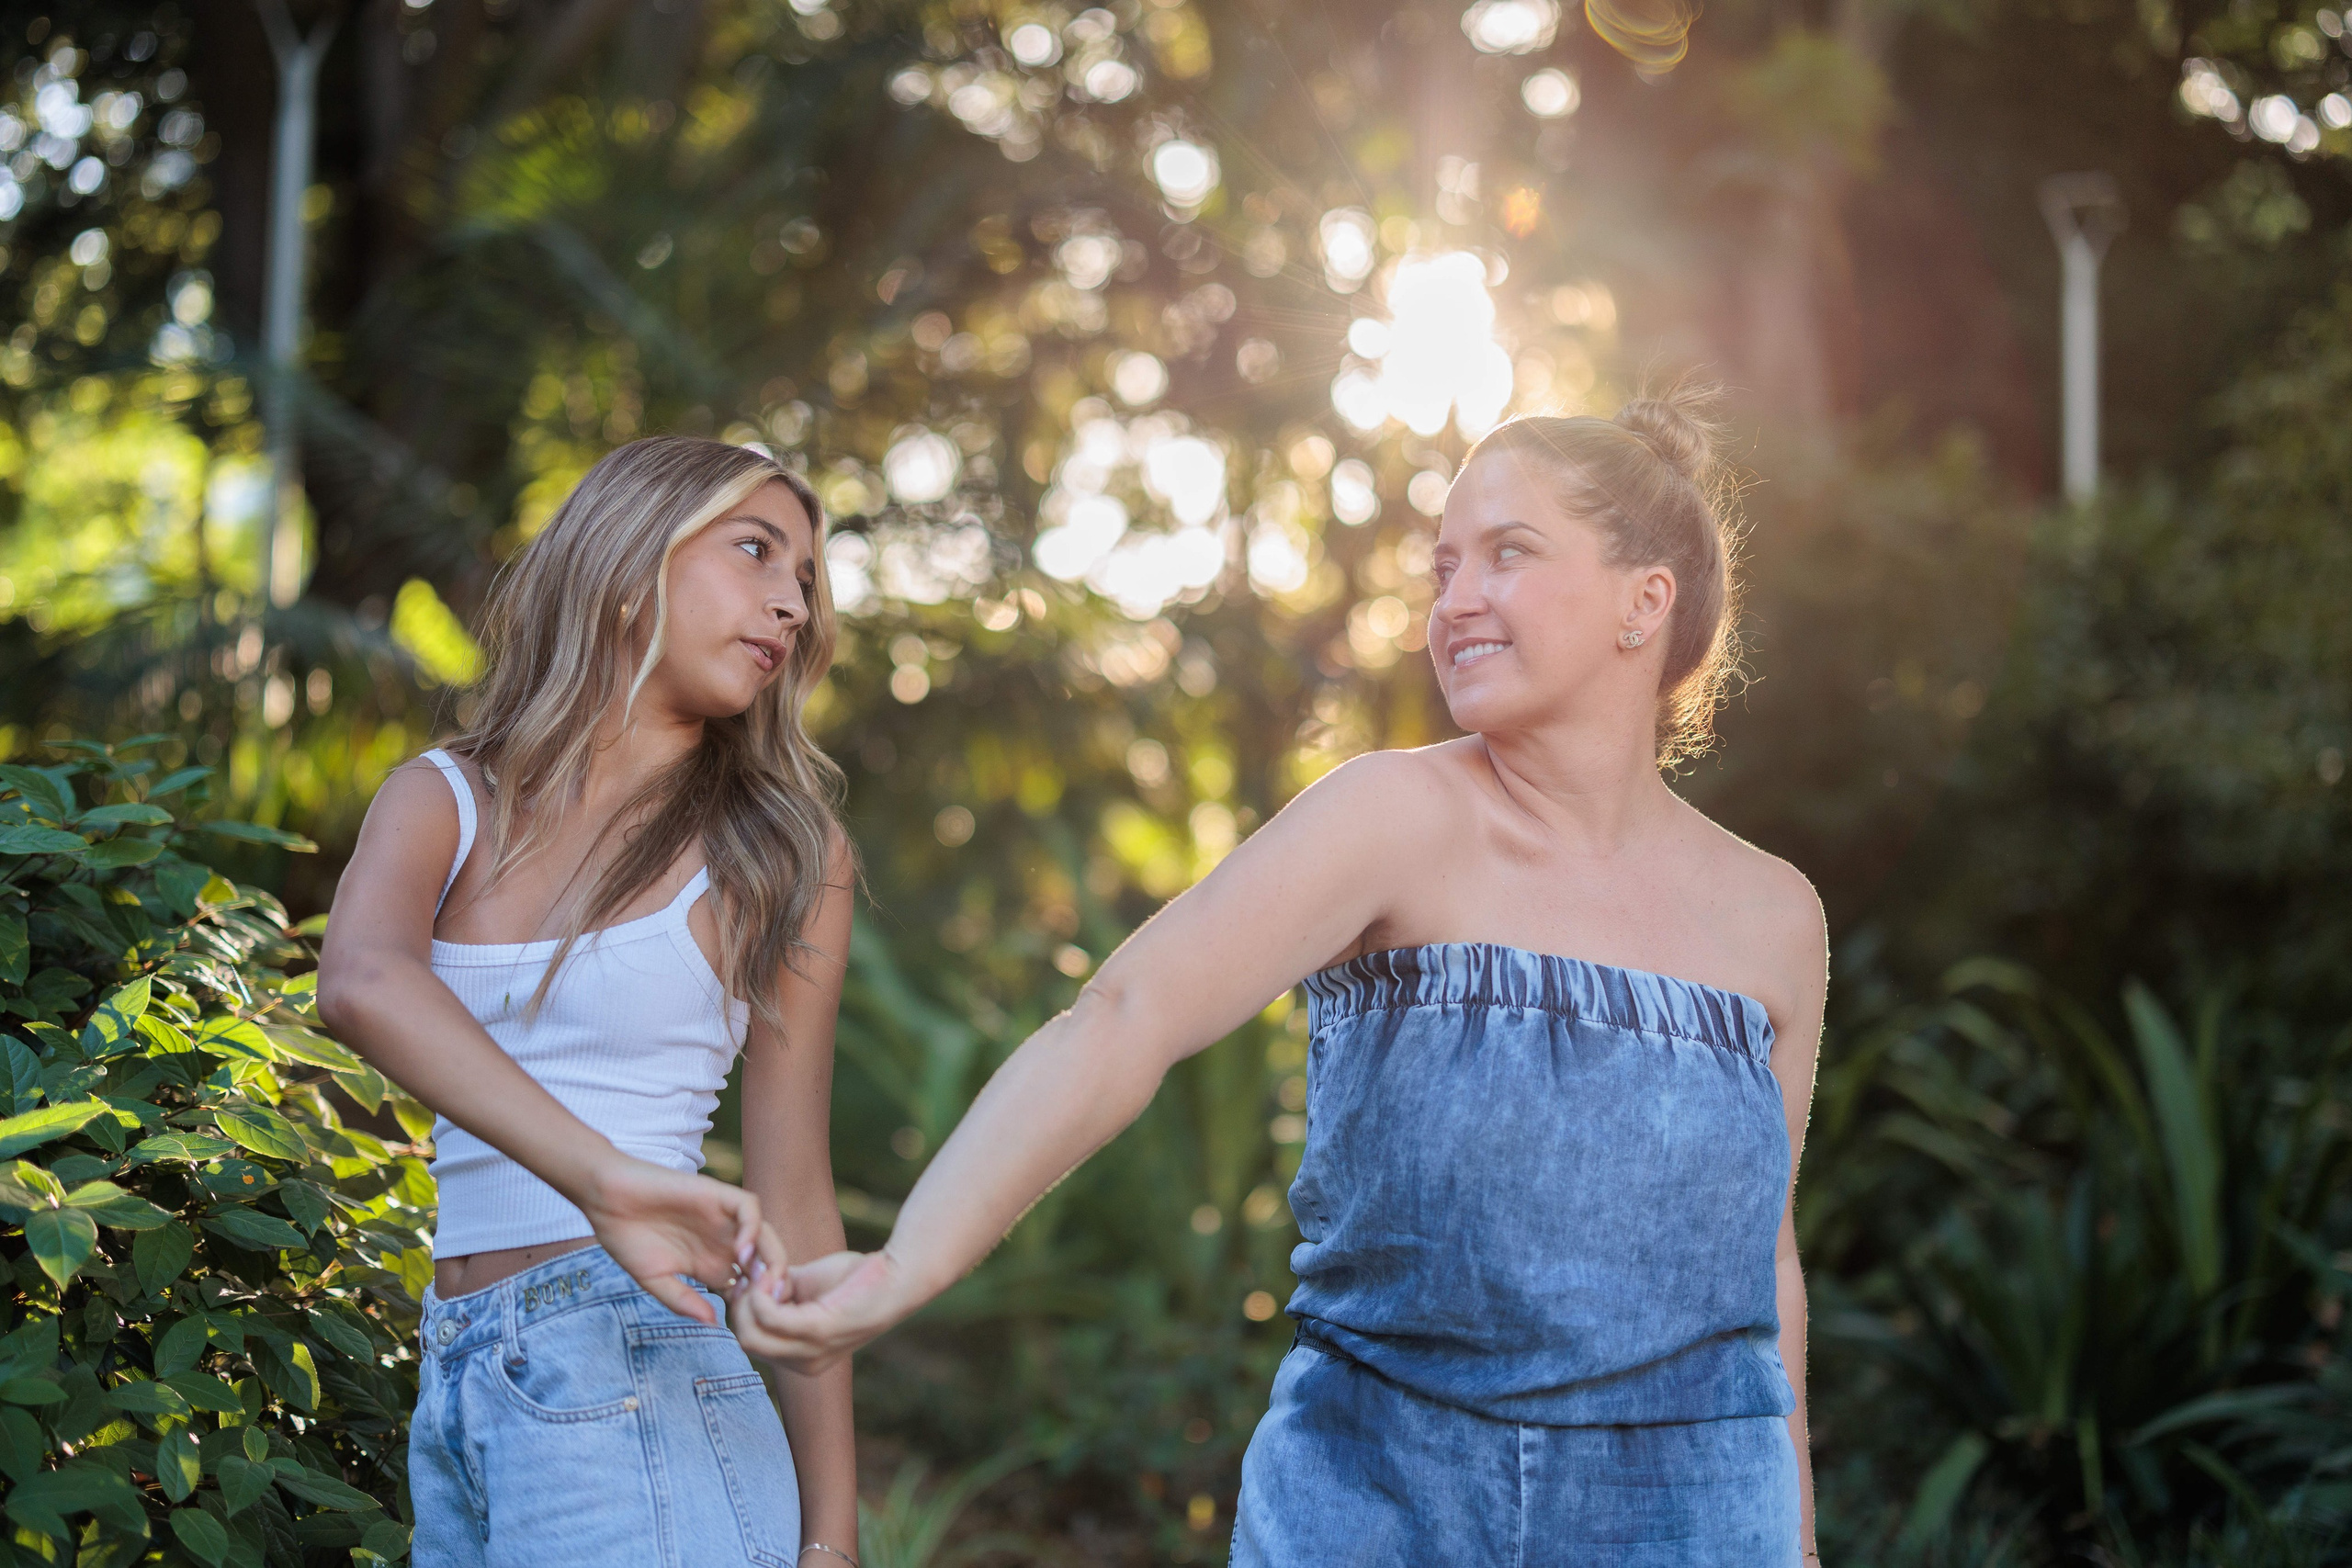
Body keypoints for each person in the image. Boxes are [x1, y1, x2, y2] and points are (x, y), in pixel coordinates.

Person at [731, 388, 1826, 1564]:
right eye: (1442, 566)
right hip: (1379, 1498)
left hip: (1694, 1515)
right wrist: (906, 1265)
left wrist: (1796, 1542)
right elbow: (1125, 1016)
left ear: (1643, 600)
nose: (1454, 602)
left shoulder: (1771, 918)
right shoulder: (1389, 818)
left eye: (1507, 555)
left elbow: (1763, 1262)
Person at [317, 437, 863, 1568]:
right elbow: (362, 981)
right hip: (462, 1374)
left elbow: (795, 1198)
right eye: (756, 551)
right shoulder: (443, 800)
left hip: (642, 1366)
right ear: (627, 566)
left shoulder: (782, 856)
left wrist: (833, 1532)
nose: (790, 604)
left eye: (805, 579)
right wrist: (605, 1179)